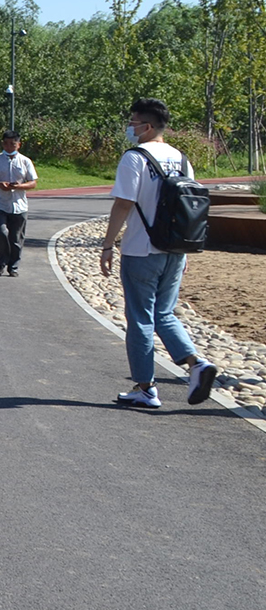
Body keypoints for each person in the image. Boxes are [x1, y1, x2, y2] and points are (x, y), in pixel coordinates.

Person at [99, 98, 219, 410]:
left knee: (140, 318)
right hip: (176, 249)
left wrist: (108, 244)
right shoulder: (182, 159)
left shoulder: (134, 158)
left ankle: (145, 387)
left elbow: (123, 203)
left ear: (147, 126)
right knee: (164, 313)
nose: (129, 127)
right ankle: (196, 364)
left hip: (141, 249)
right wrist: (185, 250)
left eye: (133, 121)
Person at [0, 130, 37, 277]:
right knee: (0, 232)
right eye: (6, 144)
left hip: (19, 205)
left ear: (19, 145)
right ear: (2, 144)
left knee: (16, 238)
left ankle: (13, 267)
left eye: (12, 144)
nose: (9, 147)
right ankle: (1, 262)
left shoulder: (25, 161)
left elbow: (33, 183)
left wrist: (19, 186)